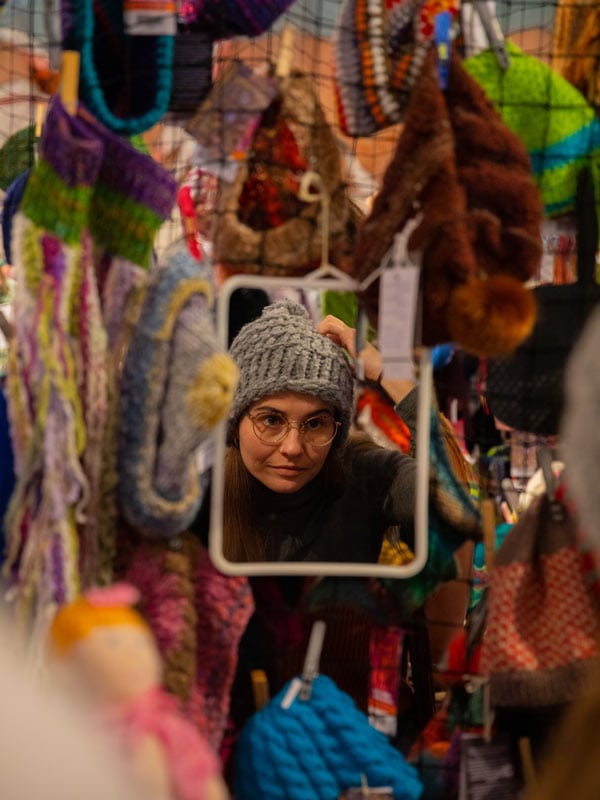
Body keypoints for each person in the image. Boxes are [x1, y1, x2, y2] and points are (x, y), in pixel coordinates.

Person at [222, 297, 424, 564]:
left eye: (315, 423)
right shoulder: (201, 503)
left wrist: (392, 375)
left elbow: (453, 508)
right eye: (271, 420)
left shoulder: (367, 476)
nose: (292, 448)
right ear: (235, 425)